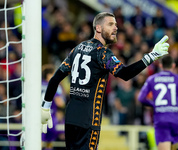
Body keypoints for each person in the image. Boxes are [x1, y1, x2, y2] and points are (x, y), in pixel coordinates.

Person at [41, 12, 169, 150]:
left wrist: (45, 107)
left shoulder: (77, 49)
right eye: (110, 24)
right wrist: (151, 56)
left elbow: (55, 79)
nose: (115, 28)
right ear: (98, 28)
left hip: (71, 118)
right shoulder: (102, 53)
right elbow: (125, 74)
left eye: (116, 25)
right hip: (89, 120)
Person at [138, 55, 178, 150]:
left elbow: (141, 98)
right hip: (176, 119)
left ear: (161, 65)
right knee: (172, 147)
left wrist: (154, 105)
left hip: (161, 119)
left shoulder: (152, 79)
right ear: (173, 65)